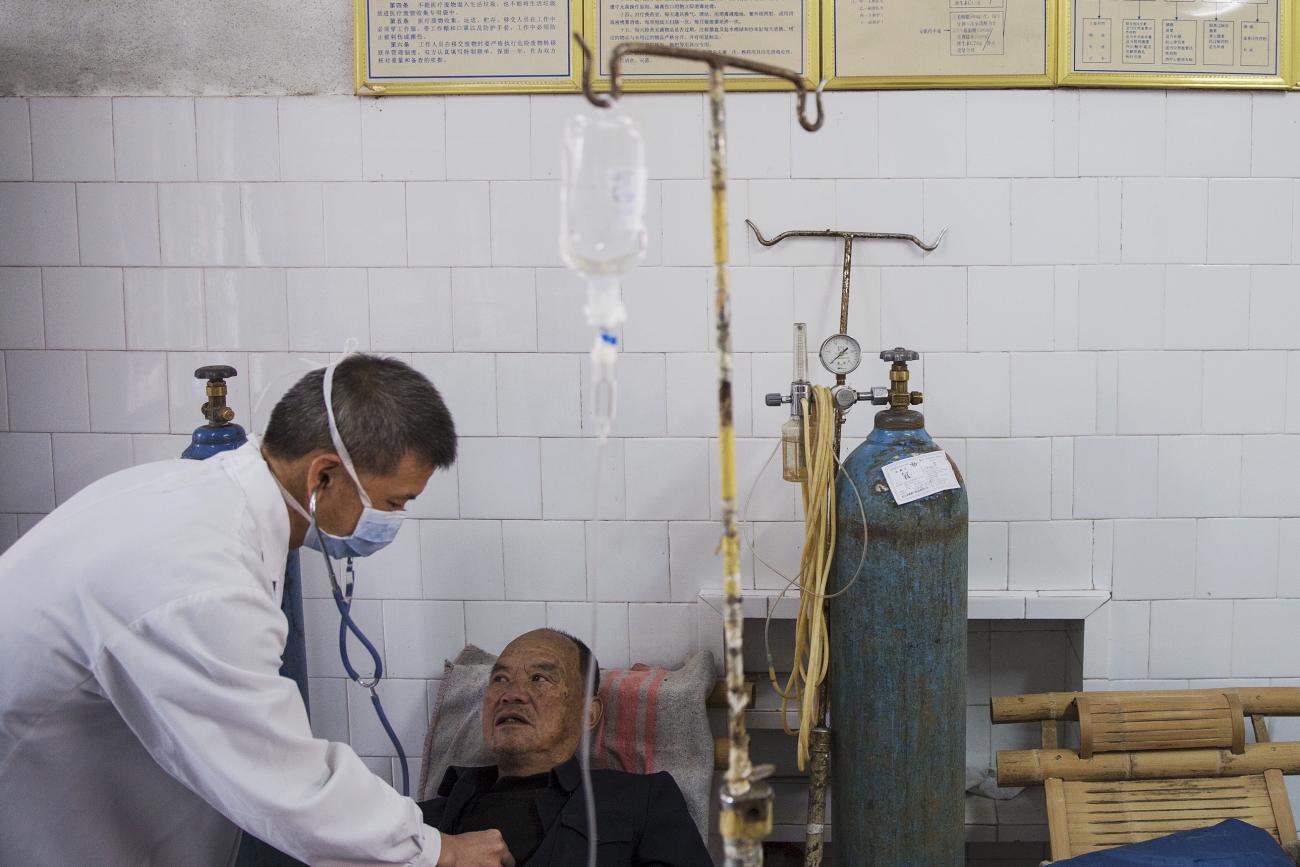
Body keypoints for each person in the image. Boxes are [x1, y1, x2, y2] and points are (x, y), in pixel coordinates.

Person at [0, 354, 513, 867]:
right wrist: (436, 850)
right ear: (324, 477)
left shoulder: (188, 497)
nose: (394, 519)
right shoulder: (203, 580)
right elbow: (285, 779)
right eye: (394, 503)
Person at [419, 629, 713, 867]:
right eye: (500, 679)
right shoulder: (421, 824)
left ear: (589, 712)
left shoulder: (642, 800)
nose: (511, 694)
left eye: (539, 678)